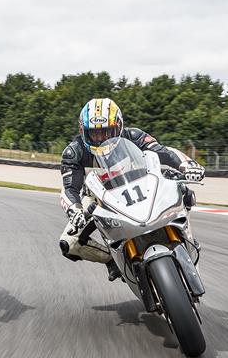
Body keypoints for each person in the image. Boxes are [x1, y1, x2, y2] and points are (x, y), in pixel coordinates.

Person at [59, 97, 205, 280]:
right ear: (83, 132)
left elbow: (163, 152)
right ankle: (112, 260)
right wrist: (75, 210)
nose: (100, 138)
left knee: (183, 190)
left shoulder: (134, 136)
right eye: (93, 134)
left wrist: (186, 165)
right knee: (69, 243)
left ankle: (188, 239)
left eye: (106, 132)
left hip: (142, 184)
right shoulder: (74, 153)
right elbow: (69, 189)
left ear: (118, 127)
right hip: (98, 199)